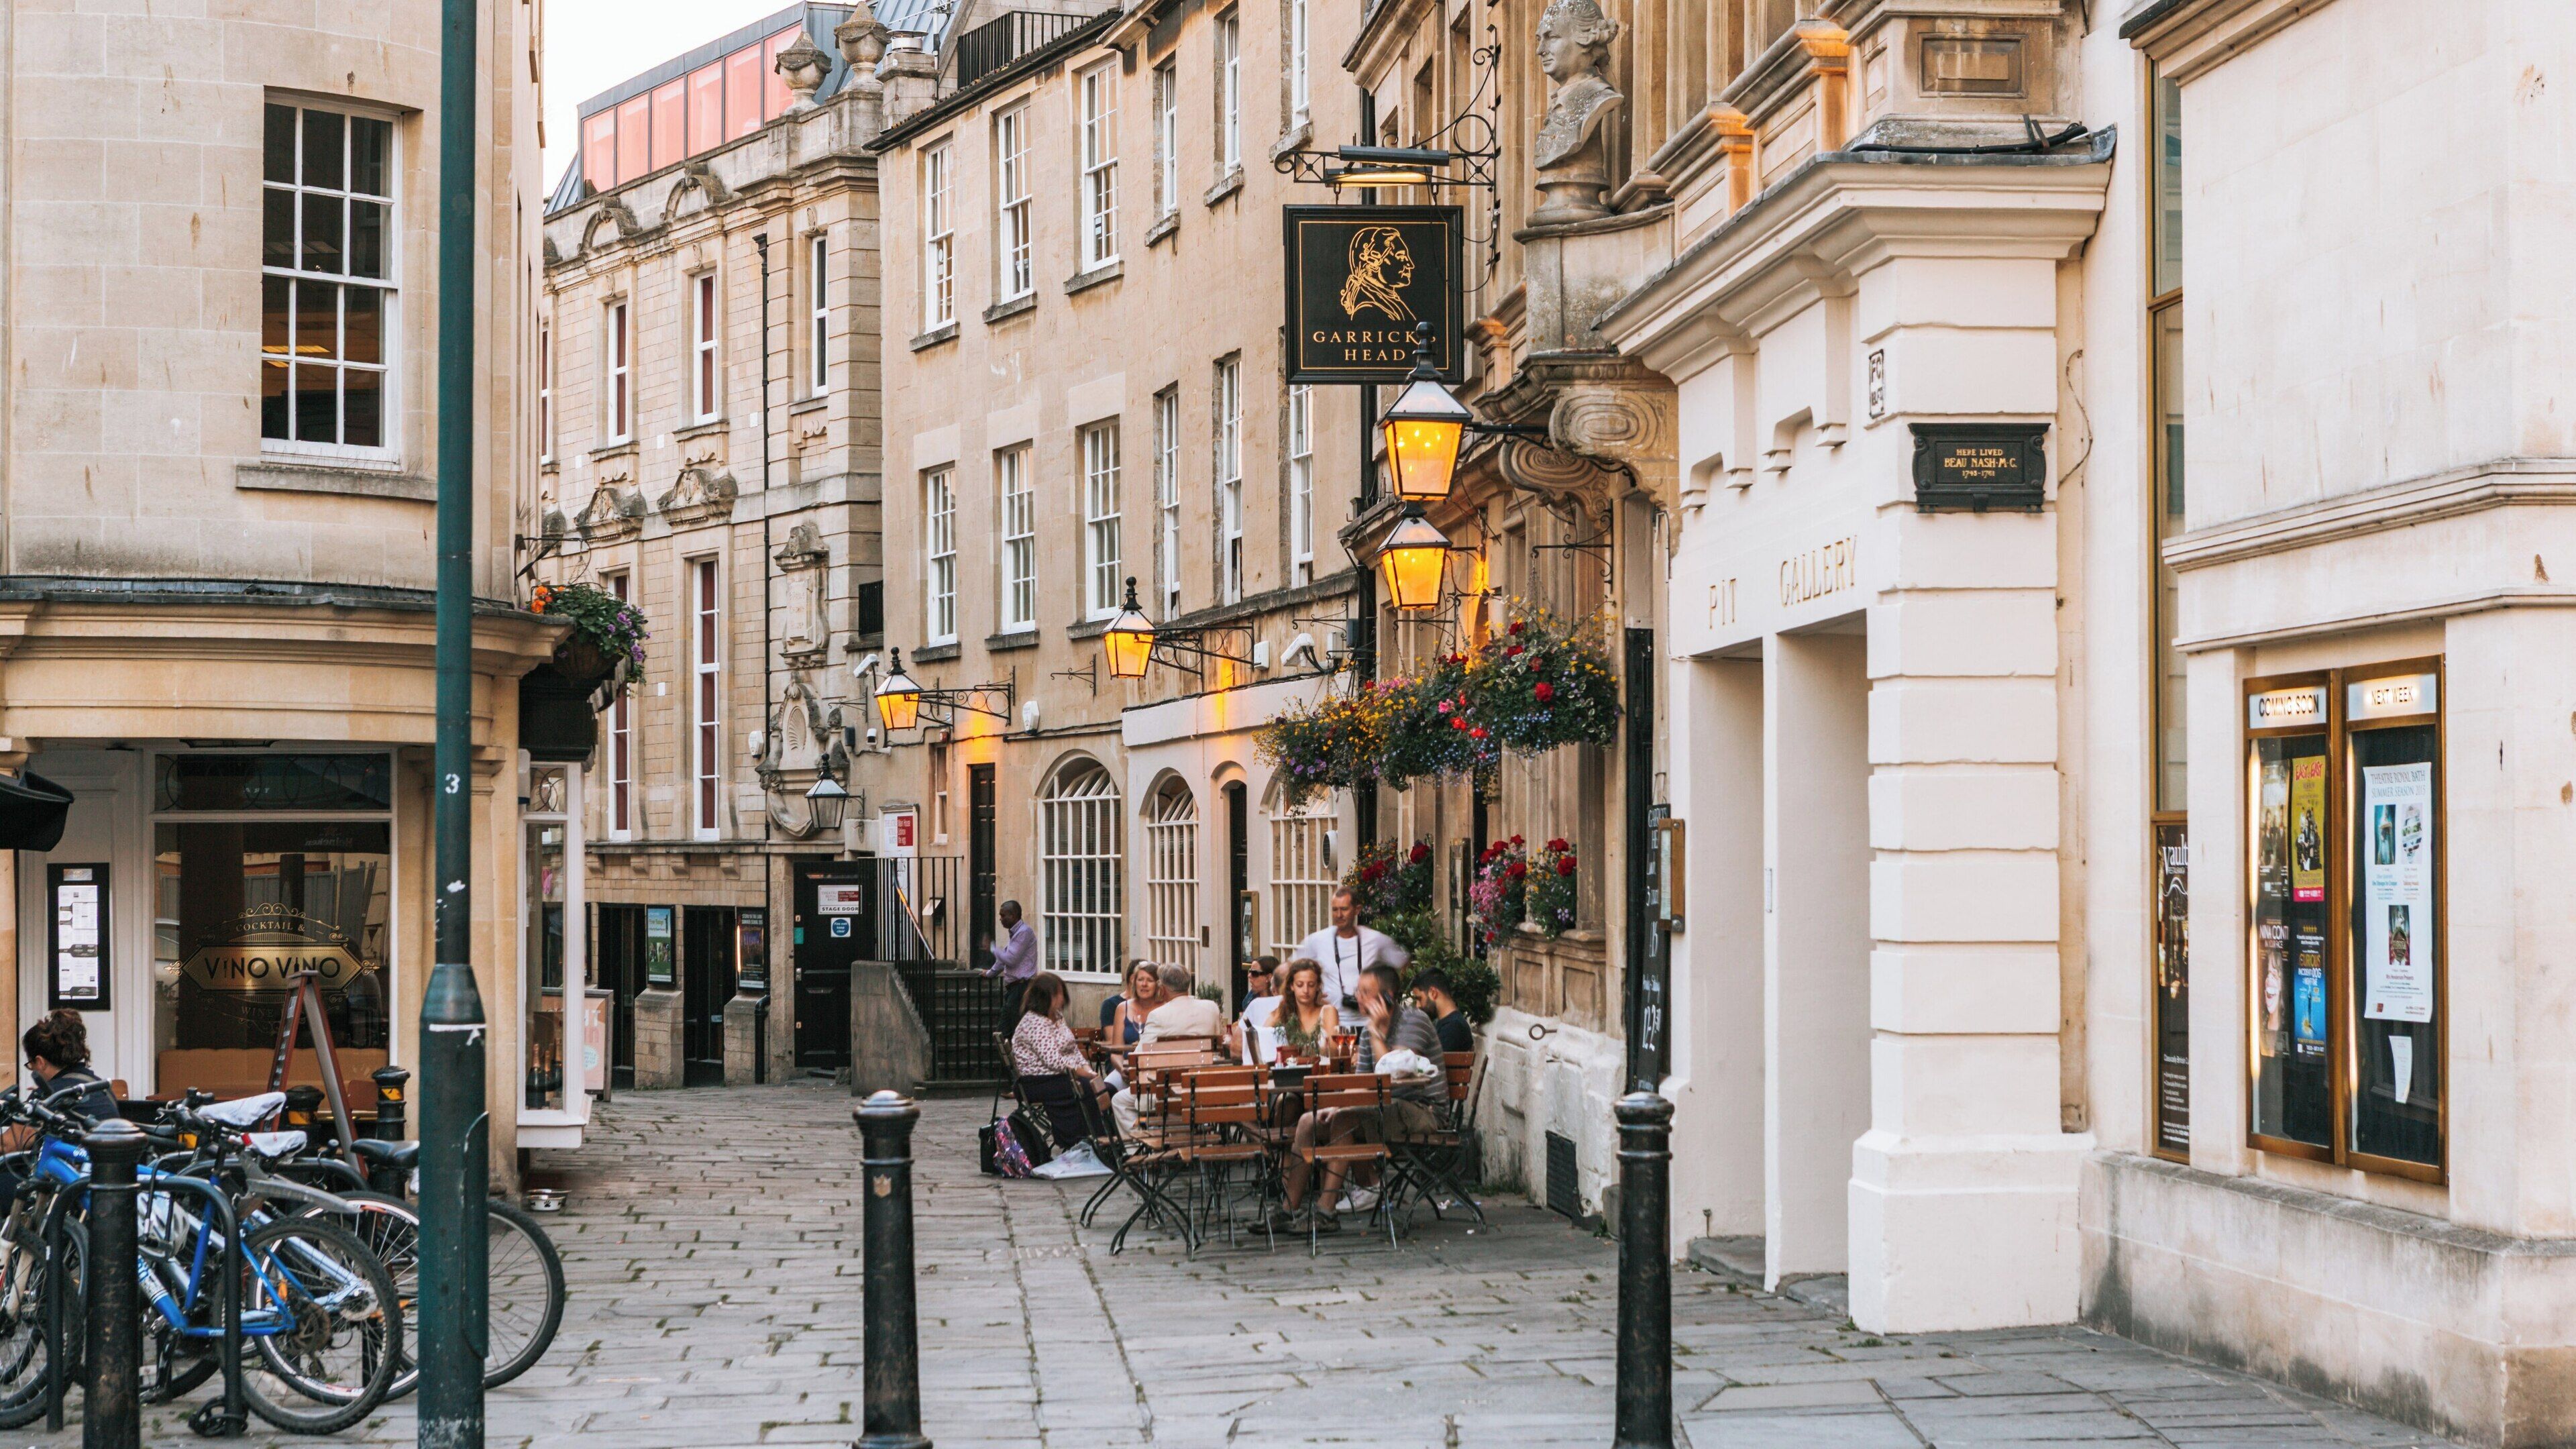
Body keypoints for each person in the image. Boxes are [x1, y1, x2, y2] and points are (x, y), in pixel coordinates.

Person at [1272, 964, 1446, 1234]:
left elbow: (1396, 1071)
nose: (1358, 998)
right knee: (1308, 1121)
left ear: (1387, 996)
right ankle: (1288, 1209)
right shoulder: (1368, 1030)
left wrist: (1377, 1033)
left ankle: (1325, 1211)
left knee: (1345, 1120)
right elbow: (1362, 1082)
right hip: (1385, 1108)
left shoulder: (1413, 1020)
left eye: (1366, 992)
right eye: (1358, 991)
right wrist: (1339, 1103)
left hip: (1422, 1110)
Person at [0, 1010, 118, 1157]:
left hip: (73, 1175)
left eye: (31, 1065)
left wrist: (41, 1097)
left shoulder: (50, 1096)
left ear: (41, 1062)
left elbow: (9, 1144)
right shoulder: (98, 1086)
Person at [1008, 972, 1108, 1145]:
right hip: (1038, 1081)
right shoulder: (1035, 1023)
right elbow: (1052, 1060)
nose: (1062, 998)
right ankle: (1087, 1139)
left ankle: (1104, 1135)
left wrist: (1089, 1070)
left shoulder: (1058, 1017)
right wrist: (1081, 1072)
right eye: (1058, 994)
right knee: (1085, 1087)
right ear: (1046, 997)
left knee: (1103, 1086)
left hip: (1062, 1075)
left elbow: (1073, 1050)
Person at [1293, 888, 1408, 1011]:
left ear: (1357, 910)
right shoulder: (1317, 940)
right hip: (1332, 1020)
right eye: (1335, 910)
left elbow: (1404, 964)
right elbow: (1293, 970)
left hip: (1370, 1021)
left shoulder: (1376, 940)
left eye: (1344, 909)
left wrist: (1387, 995)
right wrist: (1313, 996)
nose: (1339, 915)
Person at [1266, 959, 1339, 1060]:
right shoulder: (1284, 1012)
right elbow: (1261, 1037)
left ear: (1318, 986)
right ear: (1292, 986)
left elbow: (1334, 1051)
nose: (1306, 990)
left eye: (1311, 985)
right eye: (1300, 985)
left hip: (1321, 1072)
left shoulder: (1328, 1011)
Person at [1409, 968, 1474, 1055]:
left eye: (1419, 999)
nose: (1418, 1006)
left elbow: (1425, 1065)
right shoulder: (1449, 1024)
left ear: (1433, 993)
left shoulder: (1453, 1028)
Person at [1232, 956, 1280, 1063]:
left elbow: (1236, 1048)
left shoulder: (1255, 1004)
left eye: (1255, 973)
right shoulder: (1249, 1000)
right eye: (1250, 971)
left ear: (1268, 978)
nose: (1249, 976)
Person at [983, 900, 1039, 984]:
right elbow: (1003, 960)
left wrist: (992, 948)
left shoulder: (1024, 932)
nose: (1000, 919)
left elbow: (1010, 959)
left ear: (1013, 916)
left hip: (1022, 985)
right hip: (1015, 986)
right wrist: (989, 973)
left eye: (1003, 916)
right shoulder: (1016, 932)